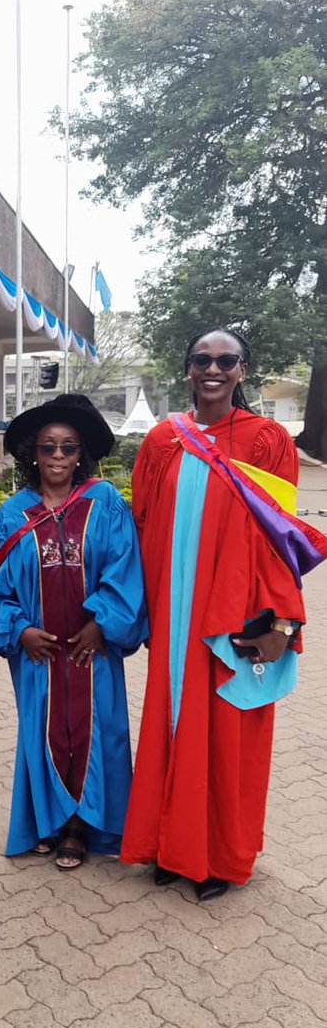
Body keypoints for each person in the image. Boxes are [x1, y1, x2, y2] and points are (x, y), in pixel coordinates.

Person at [121, 327, 327, 900]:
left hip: (235, 613)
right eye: (202, 360)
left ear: (242, 370)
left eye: (226, 360)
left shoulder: (265, 440)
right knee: (170, 723)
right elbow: (141, 525)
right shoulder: (163, 440)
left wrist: (281, 623)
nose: (213, 368)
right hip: (175, 614)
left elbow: (279, 537)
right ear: (187, 369)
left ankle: (219, 857)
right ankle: (170, 845)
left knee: (230, 732)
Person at [0, 394, 148, 869]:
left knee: (101, 733)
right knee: (44, 733)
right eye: (48, 447)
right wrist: (20, 631)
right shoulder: (12, 516)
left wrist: (102, 624)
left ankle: (81, 827)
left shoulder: (105, 503)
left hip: (91, 651)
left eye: (69, 448)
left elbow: (125, 568)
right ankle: (48, 822)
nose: (58, 456)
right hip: (40, 654)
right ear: (32, 453)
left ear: (83, 454)